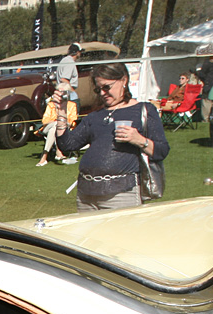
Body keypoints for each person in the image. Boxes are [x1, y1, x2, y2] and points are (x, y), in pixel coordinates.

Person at [54, 62, 169, 212]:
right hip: (86, 195)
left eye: (106, 87)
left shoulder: (144, 110)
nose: (102, 93)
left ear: (124, 80)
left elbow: (161, 151)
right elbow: (67, 145)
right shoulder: (94, 116)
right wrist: (61, 112)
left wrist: (138, 139)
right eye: (98, 89)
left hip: (122, 194)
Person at [36, 82, 78, 166]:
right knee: (55, 124)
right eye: (59, 91)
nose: (61, 93)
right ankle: (59, 152)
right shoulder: (51, 105)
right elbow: (45, 120)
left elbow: (73, 119)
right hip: (48, 127)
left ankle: (44, 156)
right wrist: (56, 120)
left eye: (63, 92)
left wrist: (61, 122)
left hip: (64, 127)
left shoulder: (72, 105)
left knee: (55, 127)